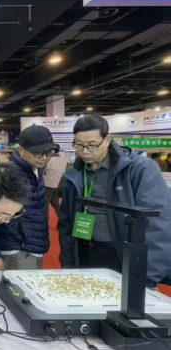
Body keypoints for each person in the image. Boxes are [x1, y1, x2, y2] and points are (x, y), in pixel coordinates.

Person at [58, 115, 171, 287]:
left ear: (107, 139)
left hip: (121, 255)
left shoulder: (139, 169)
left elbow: (158, 224)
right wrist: (68, 261)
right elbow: (66, 221)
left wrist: (147, 276)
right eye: (79, 145)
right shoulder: (74, 174)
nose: (85, 151)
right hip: (84, 252)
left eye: (92, 145)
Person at [0, 126, 57, 270]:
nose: (44, 158)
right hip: (17, 248)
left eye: (49, 152)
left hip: (34, 246)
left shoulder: (36, 169)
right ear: (21, 150)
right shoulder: (9, 174)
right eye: (38, 153)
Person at [44, 150, 67, 219]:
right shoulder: (63, 160)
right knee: (56, 203)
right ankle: (62, 219)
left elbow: (43, 170)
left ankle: (45, 220)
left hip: (49, 185)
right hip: (58, 185)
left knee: (45, 203)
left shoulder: (49, 160)